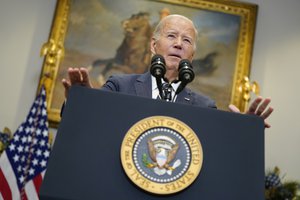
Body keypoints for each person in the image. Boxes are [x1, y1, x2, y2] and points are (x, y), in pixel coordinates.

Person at [62, 14, 273, 128]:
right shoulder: (119, 85)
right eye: (171, 36)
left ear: (191, 56)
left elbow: (216, 149)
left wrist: (246, 130)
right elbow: (91, 121)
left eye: (187, 40)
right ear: (153, 46)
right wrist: (82, 100)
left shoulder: (205, 107)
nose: (179, 44)